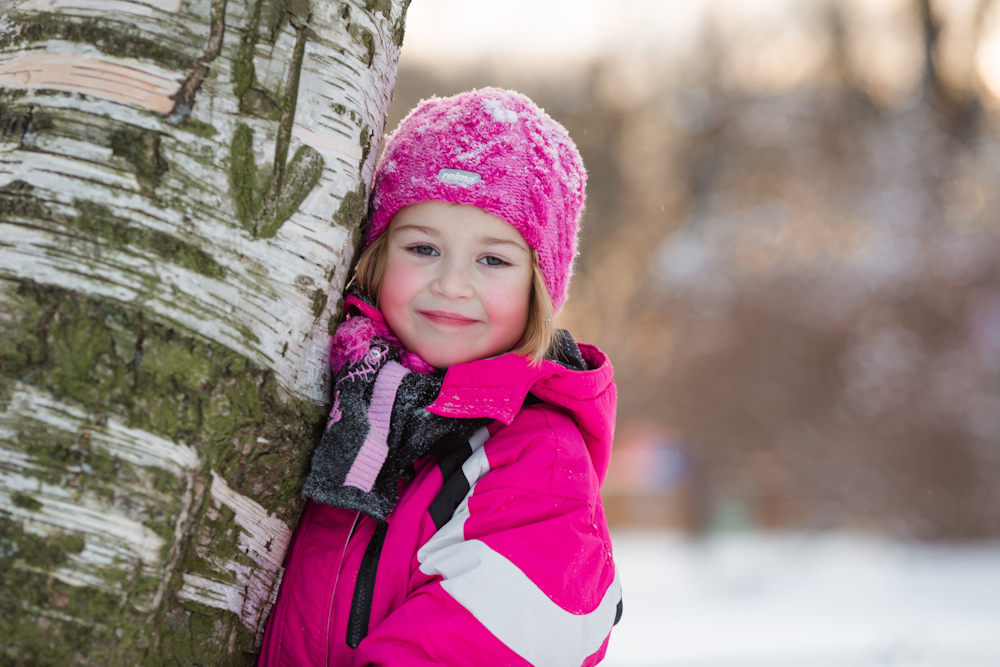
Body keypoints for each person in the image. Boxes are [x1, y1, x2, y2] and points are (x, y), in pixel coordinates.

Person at [258, 87, 621, 667]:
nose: (452, 285)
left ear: (539, 289)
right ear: (375, 257)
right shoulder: (347, 395)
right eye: (423, 248)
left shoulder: (540, 462)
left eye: (493, 259)